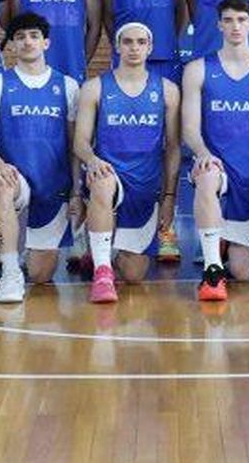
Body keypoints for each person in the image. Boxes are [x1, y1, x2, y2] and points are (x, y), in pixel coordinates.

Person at [182, 0, 249, 302]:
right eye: (228, 20)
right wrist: (203, 153)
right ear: (219, 25)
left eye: (241, 20)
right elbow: (189, 128)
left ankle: (224, 240)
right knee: (206, 175)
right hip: (216, 167)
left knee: (242, 271)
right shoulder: (199, 69)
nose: (235, 27)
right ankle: (212, 270)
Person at [96, 0, 185, 259]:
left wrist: (162, 43)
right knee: (121, 141)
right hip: (126, 64)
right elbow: (105, 15)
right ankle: (108, 223)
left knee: (168, 145)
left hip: (165, 61)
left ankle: (167, 226)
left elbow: (181, 10)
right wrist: (126, 48)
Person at [0, 13, 80, 304]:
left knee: (41, 274)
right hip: (15, 176)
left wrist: (76, 190)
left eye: (34, 36)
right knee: (1, 183)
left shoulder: (68, 85)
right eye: (20, 37)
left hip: (54, 183)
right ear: (11, 45)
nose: (27, 42)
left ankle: (24, 252)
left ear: (46, 42)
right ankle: (10, 272)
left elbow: (75, 145)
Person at [73, 23, 182, 303]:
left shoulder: (168, 90)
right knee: (102, 181)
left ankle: (104, 245)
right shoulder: (94, 88)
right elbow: (80, 142)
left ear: (150, 47)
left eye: (141, 42)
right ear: (117, 46)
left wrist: (169, 197)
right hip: (107, 175)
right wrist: (92, 160)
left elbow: (172, 148)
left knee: (134, 274)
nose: (134, 48)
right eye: (128, 42)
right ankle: (102, 271)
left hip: (145, 186)